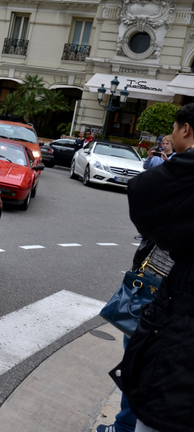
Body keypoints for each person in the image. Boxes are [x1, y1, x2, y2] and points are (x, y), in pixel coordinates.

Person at [110, 102, 194, 432]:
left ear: (185, 129)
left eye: (174, 130)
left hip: (172, 301)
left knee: (143, 359)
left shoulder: (182, 172)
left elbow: (144, 196)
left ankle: (122, 426)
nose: (170, 137)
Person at [95, 240, 174, 432]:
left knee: (138, 363)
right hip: (168, 290)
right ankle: (125, 424)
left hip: (162, 288)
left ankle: (124, 426)